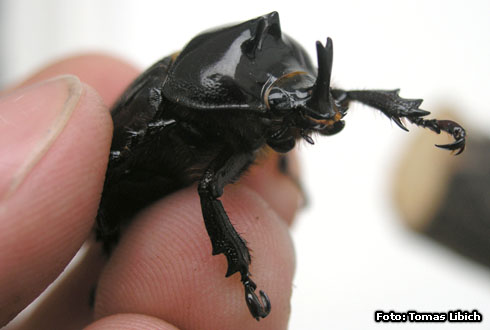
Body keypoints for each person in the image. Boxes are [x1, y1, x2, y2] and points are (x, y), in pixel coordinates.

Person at [0, 55, 301, 329]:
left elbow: (267, 135)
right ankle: (241, 275)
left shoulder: (233, 103)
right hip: (108, 202)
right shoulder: (184, 100)